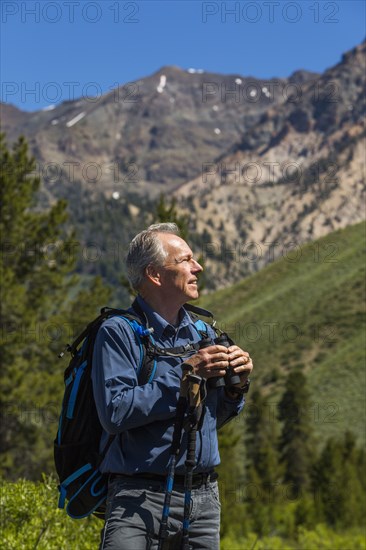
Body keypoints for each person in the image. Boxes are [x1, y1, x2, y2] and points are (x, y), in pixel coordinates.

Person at [92, 223, 253, 550]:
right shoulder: (118, 333)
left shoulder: (203, 334)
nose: (198, 267)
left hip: (204, 499)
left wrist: (236, 390)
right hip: (136, 498)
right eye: (186, 260)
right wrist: (185, 376)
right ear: (154, 274)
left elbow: (210, 420)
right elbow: (115, 412)